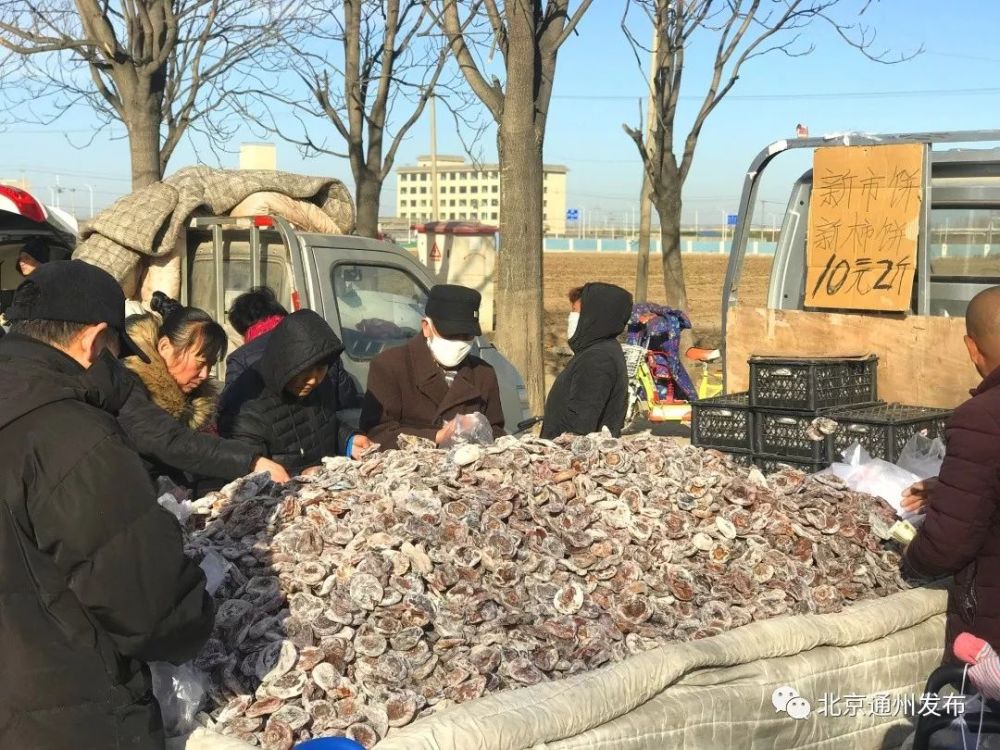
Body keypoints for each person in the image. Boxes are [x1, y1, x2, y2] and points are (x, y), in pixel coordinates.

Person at [0, 260, 214, 748]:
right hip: (66, 716)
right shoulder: (72, 435)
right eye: (114, 353)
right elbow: (151, 609)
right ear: (94, 341)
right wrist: (197, 615)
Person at [901, 285, 1000, 658]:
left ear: (972, 348)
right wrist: (949, 485)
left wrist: (908, 559)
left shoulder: (983, 417)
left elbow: (947, 546)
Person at [119, 291, 289, 486]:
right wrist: (251, 462)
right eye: (200, 363)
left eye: (209, 365)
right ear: (165, 347)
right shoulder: (129, 385)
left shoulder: (197, 403)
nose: (204, 374)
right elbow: (172, 441)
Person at [219, 309, 370, 474]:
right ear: (286, 363)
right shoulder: (246, 403)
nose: (313, 380)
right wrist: (300, 477)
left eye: (320, 369)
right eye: (304, 372)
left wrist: (348, 440)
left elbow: (323, 427)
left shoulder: (317, 385)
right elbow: (247, 475)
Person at [360, 284, 505, 449]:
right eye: (450, 334)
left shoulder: (483, 374)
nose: (458, 342)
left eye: (466, 335)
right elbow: (377, 432)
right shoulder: (390, 366)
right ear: (426, 327)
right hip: (408, 470)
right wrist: (436, 436)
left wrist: (479, 431)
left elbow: (496, 432)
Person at [221, 285, 360, 409]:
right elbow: (346, 399)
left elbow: (231, 412)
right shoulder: (321, 344)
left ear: (241, 328)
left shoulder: (241, 358)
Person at [541, 282, 633, 439]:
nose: (570, 318)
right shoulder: (600, 351)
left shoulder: (597, 359)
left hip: (572, 459)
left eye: (575, 311)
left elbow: (580, 426)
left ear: (594, 316)